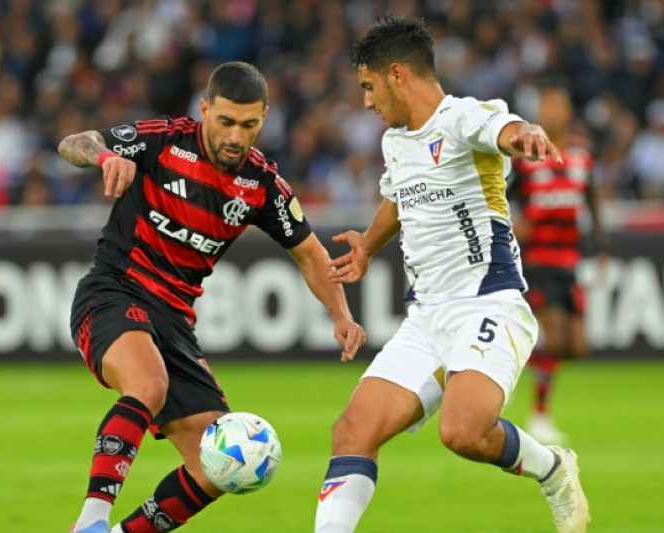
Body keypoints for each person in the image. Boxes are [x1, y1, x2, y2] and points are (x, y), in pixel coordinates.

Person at [58, 61, 365, 533]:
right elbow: (73, 143)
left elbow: (308, 252)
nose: (235, 137)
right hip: (114, 290)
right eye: (225, 122)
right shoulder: (162, 139)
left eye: (249, 125)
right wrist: (104, 157)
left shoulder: (262, 186)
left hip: (174, 321)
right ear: (204, 110)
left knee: (218, 465)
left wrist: (340, 313)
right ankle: (91, 520)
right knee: (148, 384)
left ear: (264, 118)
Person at [315, 16, 590, 533]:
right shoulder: (396, 142)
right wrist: (368, 246)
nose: (368, 103)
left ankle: (552, 467)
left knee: (462, 431)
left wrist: (524, 131)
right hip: (426, 319)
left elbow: (502, 131)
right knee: (352, 431)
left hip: (489, 304)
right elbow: (398, 200)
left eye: (369, 87)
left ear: (397, 74)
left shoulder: (463, 117)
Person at [509, 84, 608, 444]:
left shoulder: (582, 152)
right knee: (555, 336)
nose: (551, 111)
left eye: (557, 103)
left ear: (566, 109)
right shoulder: (524, 156)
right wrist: (513, 224)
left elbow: (593, 200)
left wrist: (600, 247)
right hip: (538, 259)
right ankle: (538, 415)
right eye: (545, 104)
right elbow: (499, 198)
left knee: (577, 347)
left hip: (570, 259)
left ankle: (514, 360)